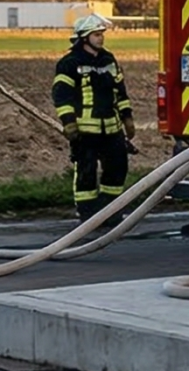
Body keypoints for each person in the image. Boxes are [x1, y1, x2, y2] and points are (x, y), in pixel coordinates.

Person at [50, 14, 133, 221]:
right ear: (84, 38)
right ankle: (87, 215)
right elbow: (62, 96)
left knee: (117, 168)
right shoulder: (69, 63)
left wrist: (127, 118)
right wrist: (69, 122)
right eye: (96, 34)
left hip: (112, 129)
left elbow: (120, 91)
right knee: (86, 171)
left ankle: (110, 211)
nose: (101, 38)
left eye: (101, 34)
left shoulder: (108, 60)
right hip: (85, 130)